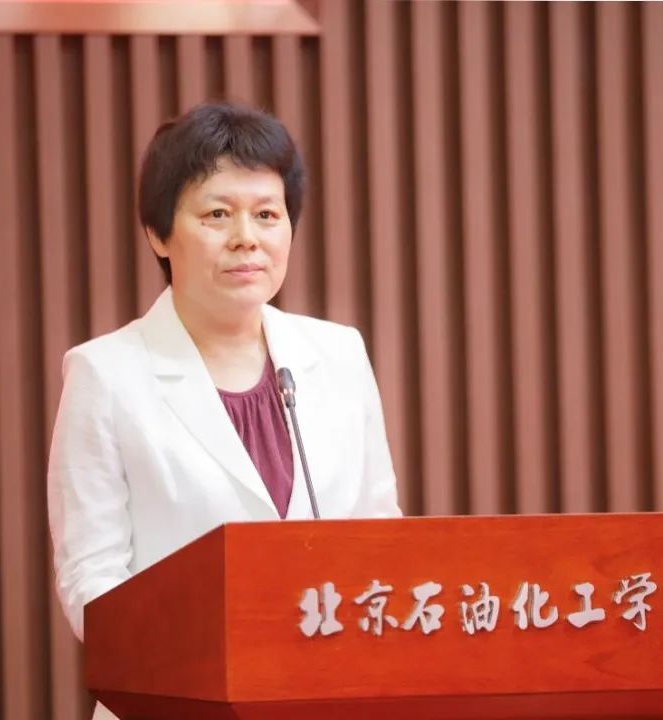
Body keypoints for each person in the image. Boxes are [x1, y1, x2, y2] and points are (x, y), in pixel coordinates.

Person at [47, 101, 402, 719]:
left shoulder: (339, 354)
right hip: (175, 706)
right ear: (159, 233)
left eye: (267, 214)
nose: (247, 237)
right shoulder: (105, 374)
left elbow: (380, 536)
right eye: (217, 214)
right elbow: (92, 578)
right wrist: (197, 672)